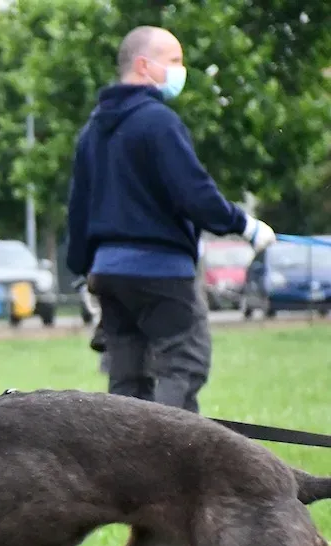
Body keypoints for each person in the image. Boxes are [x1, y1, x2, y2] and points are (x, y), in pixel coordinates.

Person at [66, 25, 276, 412]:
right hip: (160, 271)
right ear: (143, 65)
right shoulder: (158, 122)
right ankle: (170, 450)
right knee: (184, 363)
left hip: (108, 274)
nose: (182, 70)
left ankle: (125, 451)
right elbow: (194, 193)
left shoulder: (92, 131)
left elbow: (78, 209)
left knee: (127, 377)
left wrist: (81, 270)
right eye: (175, 60)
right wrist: (245, 226)